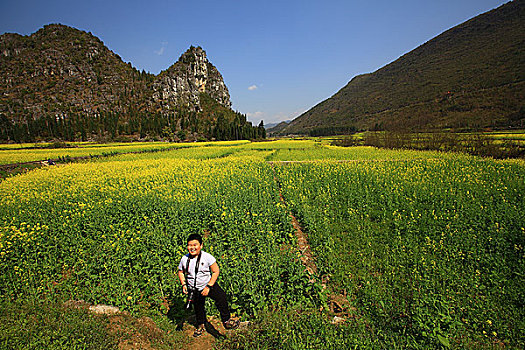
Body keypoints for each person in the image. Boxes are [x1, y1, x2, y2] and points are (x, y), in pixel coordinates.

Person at [178, 233, 239, 337]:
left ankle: (226, 321)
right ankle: (200, 325)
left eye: (195, 245)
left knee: (221, 297)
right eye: (189, 245)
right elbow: (180, 272)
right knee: (198, 307)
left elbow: (216, 271)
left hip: (208, 284)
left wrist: (209, 287)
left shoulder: (207, 257)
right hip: (194, 288)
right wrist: (184, 284)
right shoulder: (184, 259)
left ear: (201, 245)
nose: (192, 248)